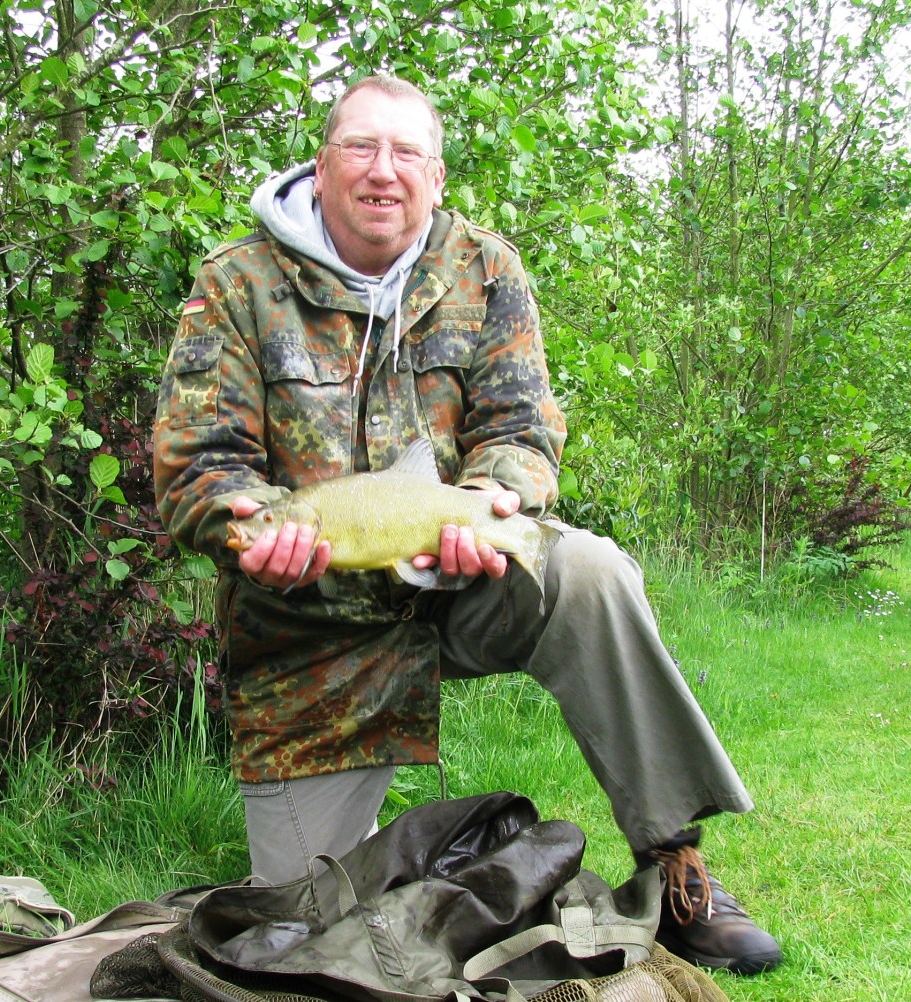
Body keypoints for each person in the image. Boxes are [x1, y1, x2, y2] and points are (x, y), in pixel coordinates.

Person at [153, 75, 781, 976]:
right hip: (308, 630)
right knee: (304, 929)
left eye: (406, 153)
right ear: (321, 164)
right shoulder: (236, 284)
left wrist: (494, 501)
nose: (383, 172)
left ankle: (672, 858)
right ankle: (375, 863)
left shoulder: (486, 269)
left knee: (592, 573)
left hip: (461, 580)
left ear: (436, 176)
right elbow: (195, 467)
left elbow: (522, 430)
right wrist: (244, 529)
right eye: (361, 149)